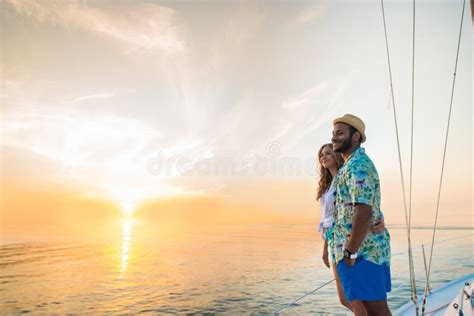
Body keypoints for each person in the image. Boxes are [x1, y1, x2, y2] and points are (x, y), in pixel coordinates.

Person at [331, 114, 392, 316]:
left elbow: (363, 210)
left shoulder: (358, 165)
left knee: (376, 311)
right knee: (367, 309)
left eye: (340, 133)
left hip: (363, 252)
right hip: (357, 251)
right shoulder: (349, 166)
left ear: (356, 136)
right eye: (333, 133)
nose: (334, 137)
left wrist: (350, 251)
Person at [317, 143, 384, 315]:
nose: (323, 157)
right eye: (322, 154)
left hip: (346, 240)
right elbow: (328, 221)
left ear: (337, 156)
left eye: (328, 153)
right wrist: (325, 248)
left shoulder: (346, 175)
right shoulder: (329, 184)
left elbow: (364, 200)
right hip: (333, 241)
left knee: (353, 298)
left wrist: (380, 218)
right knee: (345, 299)